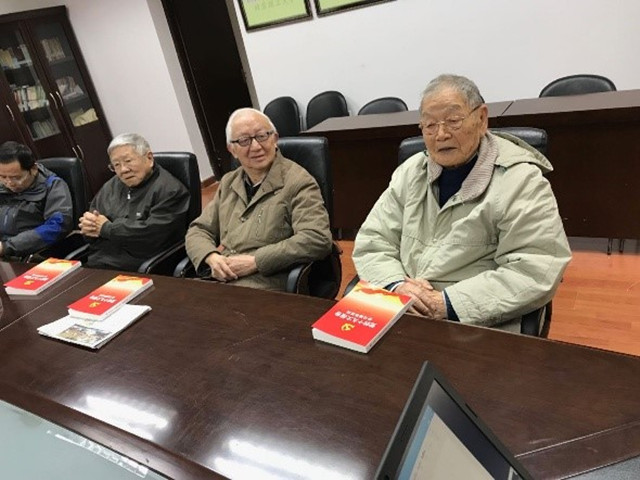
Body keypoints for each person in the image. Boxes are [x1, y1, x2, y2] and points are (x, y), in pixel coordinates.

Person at [353, 74, 572, 330]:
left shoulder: (521, 181)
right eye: (429, 125)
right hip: (402, 304)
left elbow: (536, 268)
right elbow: (373, 240)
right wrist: (396, 284)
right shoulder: (411, 172)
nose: (441, 134)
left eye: (453, 121)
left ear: (482, 119)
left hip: (474, 318)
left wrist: (446, 304)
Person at [185, 108, 333, 291]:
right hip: (221, 278)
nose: (255, 147)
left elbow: (317, 238)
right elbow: (199, 229)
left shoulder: (298, 182)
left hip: (264, 283)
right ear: (232, 149)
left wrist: (256, 261)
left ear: (275, 139)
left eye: (262, 136)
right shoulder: (228, 182)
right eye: (244, 141)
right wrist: (211, 257)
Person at [79, 133, 189, 271]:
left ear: (149, 158)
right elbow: (93, 225)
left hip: (139, 266)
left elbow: (152, 236)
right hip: (99, 261)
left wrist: (107, 228)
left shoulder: (170, 190)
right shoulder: (111, 186)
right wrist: (88, 227)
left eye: (128, 161)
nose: (123, 170)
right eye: (116, 165)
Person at [0, 141, 73, 258]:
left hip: (31, 253)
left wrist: (7, 246)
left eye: (16, 178)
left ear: (33, 169)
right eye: (3, 177)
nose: (9, 183)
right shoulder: (2, 185)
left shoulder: (53, 186)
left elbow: (57, 227)